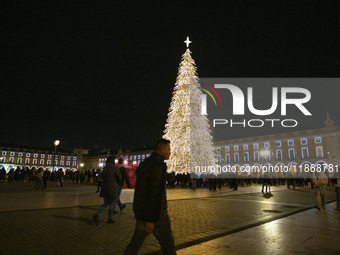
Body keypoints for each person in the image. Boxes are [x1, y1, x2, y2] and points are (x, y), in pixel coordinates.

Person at [124, 139, 176, 255]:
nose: (170, 152)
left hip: (142, 211)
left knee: (135, 244)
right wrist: (151, 219)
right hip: (157, 213)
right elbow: (154, 193)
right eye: (169, 149)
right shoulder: (158, 166)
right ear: (162, 150)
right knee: (168, 243)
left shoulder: (146, 163)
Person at [92, 156, 122, 224]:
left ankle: (96, 215)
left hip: (104, 188)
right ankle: (109, 219)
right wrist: (116, 181)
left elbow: (102, 177)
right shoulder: (114, 168)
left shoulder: (105, 168)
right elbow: (120, 177)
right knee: (111, 204)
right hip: (111, 188)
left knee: (105, 203)